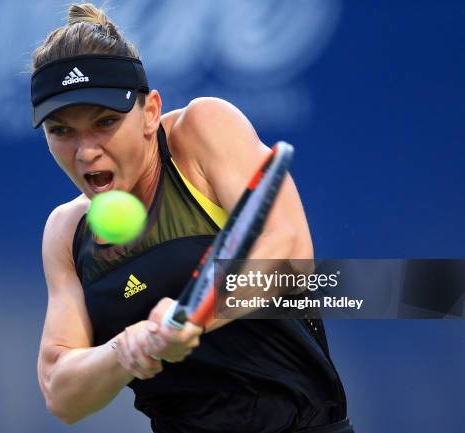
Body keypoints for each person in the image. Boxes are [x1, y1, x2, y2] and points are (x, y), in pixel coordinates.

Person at [32, 3, 353, 433]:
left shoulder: (202, 130)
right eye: (61, 130)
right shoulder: (66, 233)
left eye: (105, 121)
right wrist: (124, 350)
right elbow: (61, 392)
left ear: (149, 113)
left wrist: (194, 315)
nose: (86, 151)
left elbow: (290, 257)